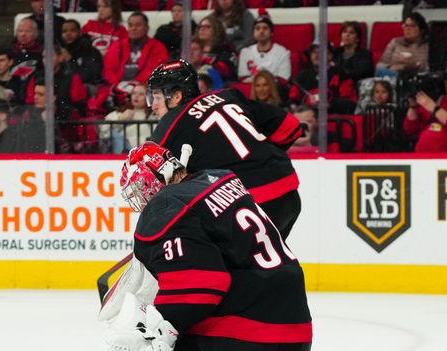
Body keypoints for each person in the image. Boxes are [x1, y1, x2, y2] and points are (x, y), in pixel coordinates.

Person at [94, 142, 418, 351]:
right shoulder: (219, 179)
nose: (143, 199)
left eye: (142, 188)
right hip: (293, 337)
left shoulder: (166, 206)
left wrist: (161, 328)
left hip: (240, 338)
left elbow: (201, 287)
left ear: (157, 179)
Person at [147, 60, 303, 239]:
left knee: (213, 260)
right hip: (287, 191)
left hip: (247, 206)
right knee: (272, 263)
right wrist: (262, 160)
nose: (153, 105)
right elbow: (291, 127)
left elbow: (157, 187)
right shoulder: (229, 96)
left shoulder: (168, 128)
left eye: (157, 97)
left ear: (176, 96)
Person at [100, 81, 157, 153]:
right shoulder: (120, 113)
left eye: (141, 94)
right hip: (124, 154)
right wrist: (120, 120)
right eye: (134, 93)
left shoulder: (154, 115)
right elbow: (103, 133)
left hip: (146, 153)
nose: (136, 96)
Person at [237, 12, 290, 84]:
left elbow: (282, 80)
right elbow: (243, 79)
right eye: (257, 28)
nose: (261, 31)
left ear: (271, 33)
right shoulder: (245, 52)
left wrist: (257, 80)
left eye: (265, 28)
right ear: (253, 33)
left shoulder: (283, 53)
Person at [376, 12, 429, 77]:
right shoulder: (395, 42)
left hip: (416, 78)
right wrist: (401, 67)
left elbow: (426, 68)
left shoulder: (426, 46)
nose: (407, 29)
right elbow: (380, 65)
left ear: (422, 30)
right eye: (406, 25)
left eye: (412, 26)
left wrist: (413, 65)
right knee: (380, 71)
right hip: (393, 76)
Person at [61, 20, 103, 88]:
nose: (68, 34)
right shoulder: (59, 50)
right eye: (64, 31)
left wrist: (70, 60)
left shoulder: (90, 51)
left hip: (87, 88)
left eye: (72, 30)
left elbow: (88, 77)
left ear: (80, 32)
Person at [194, 14, 236, 83]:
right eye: (200, 27)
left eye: (207, 27)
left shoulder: (226, 49)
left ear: (216, 29)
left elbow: (227, 70)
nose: (202, 29)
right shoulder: (193, 48)